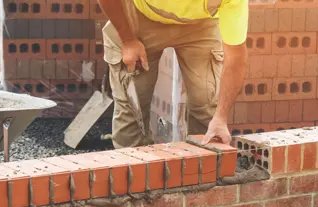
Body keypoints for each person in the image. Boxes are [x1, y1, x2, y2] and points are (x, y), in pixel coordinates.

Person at [99, 0, 248, 148]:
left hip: (201, 24)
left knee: (207, 105)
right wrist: (128, 39)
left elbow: (236, 56)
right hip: (140, 15)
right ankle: (133, 166)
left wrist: (220, 117)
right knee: (132, 109)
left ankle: (202, 165)